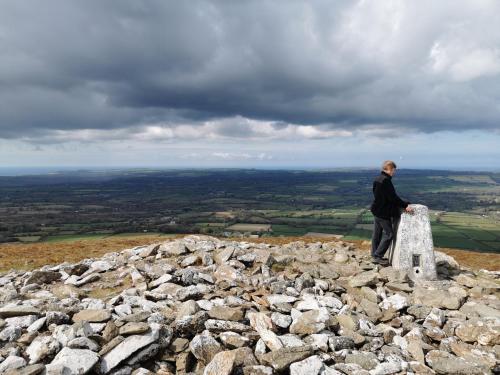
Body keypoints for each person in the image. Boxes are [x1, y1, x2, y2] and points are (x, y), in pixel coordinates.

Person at [370, 160, 413, 265]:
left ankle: (373, 254)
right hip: (383, 212)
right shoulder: (386, 181)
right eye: (393, 170)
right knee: (389, 234)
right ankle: (377, 256)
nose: (394, 172)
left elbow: (381, 196)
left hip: (376, 209)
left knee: (377, 234)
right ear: (389, 169)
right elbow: (392, 197)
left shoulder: (377, 179)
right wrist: (405, 205)